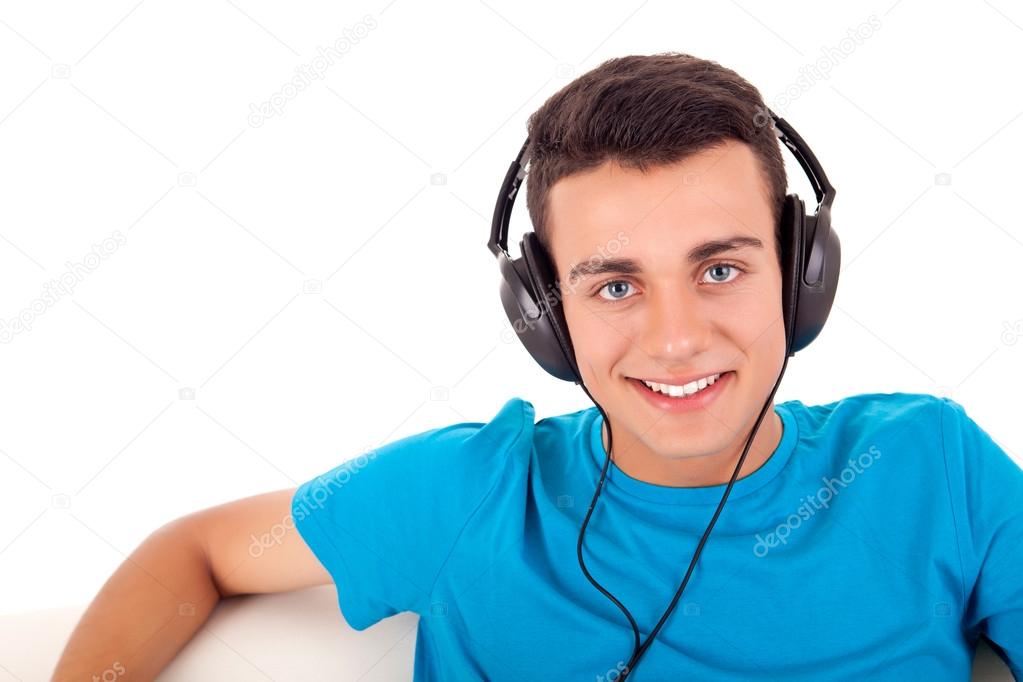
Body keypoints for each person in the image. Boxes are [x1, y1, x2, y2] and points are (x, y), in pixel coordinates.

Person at [52, 53, 1023, 682]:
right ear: (543, 314)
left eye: (720, 267)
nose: (677, 337)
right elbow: (201, 551)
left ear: (802, 274)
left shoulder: (931, 462)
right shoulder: (465, 490)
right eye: (614, 287)